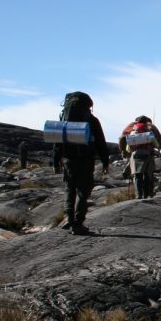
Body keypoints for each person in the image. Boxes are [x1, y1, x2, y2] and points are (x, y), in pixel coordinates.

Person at [52, 92, 109, 235]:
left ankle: (69, 219)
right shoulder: (92, 120)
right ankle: (78, 222)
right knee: (83, 192)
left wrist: (55, 162)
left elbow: (57, 142)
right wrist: (105, 161)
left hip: (68, 160)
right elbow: (101, 142)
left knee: (69, 189)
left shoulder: (64, 119)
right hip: (86, 160)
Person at [118, 115, 161, 199]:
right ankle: (146, 194)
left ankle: (139, 195)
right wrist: (158, 147)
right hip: (148, 154)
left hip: (135, 155)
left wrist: (126, 152)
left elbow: (127, 145)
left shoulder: (133, 130)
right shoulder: (149, 129)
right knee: (147, 175)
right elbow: (157, 144)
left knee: (137, 175)